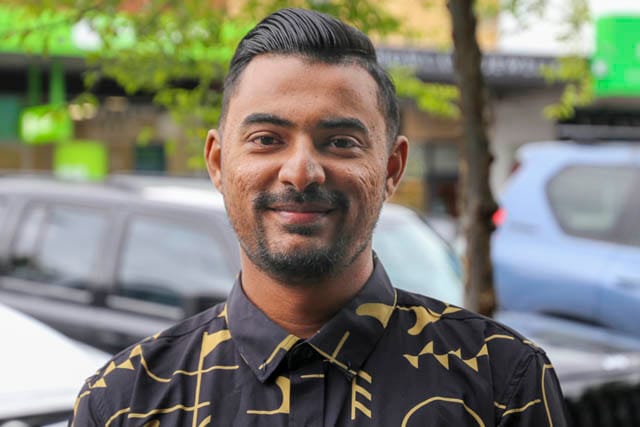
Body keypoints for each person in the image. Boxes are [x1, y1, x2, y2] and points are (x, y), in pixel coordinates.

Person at [70, 8, 568, 426]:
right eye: (267, 139)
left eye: (340, 142)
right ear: (218, 163)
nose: (301, 172)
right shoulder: (126, 402)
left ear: (391, 168)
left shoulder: (501, 381)